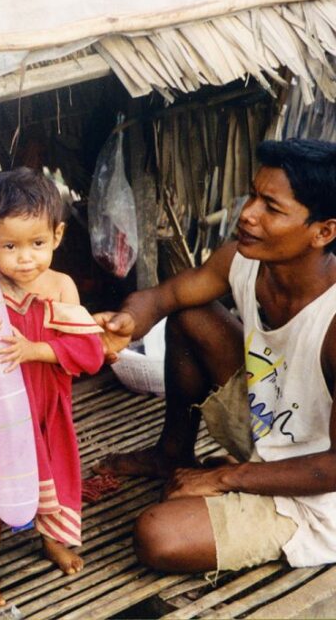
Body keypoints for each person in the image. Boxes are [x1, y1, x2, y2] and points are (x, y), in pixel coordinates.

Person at [94, 138, 336, 575]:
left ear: (324, 232)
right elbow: (165, 296)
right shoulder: (243, 260)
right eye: (252, 195)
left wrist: (223, 478)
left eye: (272, 208)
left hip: (320, 492)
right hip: (273, 429)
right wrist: (125, 322)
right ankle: (172, 452)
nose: (247, 213)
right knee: (190, 315)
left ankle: (233, 480)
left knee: (159, 535)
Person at [0, 167, 105, 609]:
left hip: (47, 407)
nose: (26, 258)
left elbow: (88, 353)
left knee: (52, 482)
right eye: (10, 246)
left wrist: (36, 350)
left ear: (58, 235)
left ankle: (50, 540)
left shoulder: (60, 288)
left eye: (37, 244)